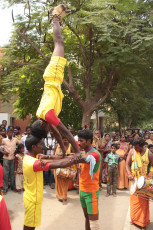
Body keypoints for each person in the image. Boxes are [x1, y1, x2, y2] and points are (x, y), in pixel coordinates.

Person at [31, 4, 79, 156]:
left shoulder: (48, 115)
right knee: (59, 43)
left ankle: (55, 16)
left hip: (53, 76)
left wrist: (77, 152)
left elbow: (67, 133)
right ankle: (57, 18)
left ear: (42, 124)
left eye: (46, 129)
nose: (49, 130)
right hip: (52, 78)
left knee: (59, 42)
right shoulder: (43, 116)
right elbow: (58, 135)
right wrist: (64, 152)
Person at [23, 133, 89, 230]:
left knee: (30, 223)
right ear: (33, 147)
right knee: (30, 226)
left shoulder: (30, 157)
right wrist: (75, 159)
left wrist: (67, 155)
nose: (42, 147)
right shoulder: (35, 163)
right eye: (40, 145)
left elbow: (55, 158)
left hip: (30, 197)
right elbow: (60, 164)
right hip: (33, 199)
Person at [126, 138, 153, 229]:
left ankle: (142, 222)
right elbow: (127, 164)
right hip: (133, 180)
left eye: (137, 147)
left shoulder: (149, 153)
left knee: (143, 202)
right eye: (134, 147)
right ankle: (134, 219)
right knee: (134, 201)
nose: (135, 149)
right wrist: (129, 173)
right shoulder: (131, 151)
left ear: (142, 146)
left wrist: (150, 180)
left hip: (144, 182)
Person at [78, 129, 101, 230]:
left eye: (81, 141)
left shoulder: (95, 154)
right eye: (78, 140)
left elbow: (75, 158)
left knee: (93, 222)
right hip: (82, 190)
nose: (79, 143)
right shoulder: (83, 152)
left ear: (88, 141)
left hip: (91, 192)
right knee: (87, 218)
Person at [54, 136, 76, 204]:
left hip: (67, 167)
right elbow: (54, 156)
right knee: (58, 182)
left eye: (66, 140)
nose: (65, 141)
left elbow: (74, 155)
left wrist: (65, 155)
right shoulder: (57, 146)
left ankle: (64, 198)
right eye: (63, 140)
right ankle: (59, 195)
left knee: (65, 182)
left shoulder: (70, 146)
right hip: (57, 166)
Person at [0, 128, 20, 194]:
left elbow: (20, 145)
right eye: (9, 132)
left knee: (12, 173)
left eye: (12, 132)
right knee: (5, 173)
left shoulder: (15, 139)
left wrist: (16, 151)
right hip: (6, 158)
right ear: (7, 133)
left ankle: (13, 186)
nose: (11, 133)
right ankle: (5, 188)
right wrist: (3, 152)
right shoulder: (4, 140)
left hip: (13, 158)